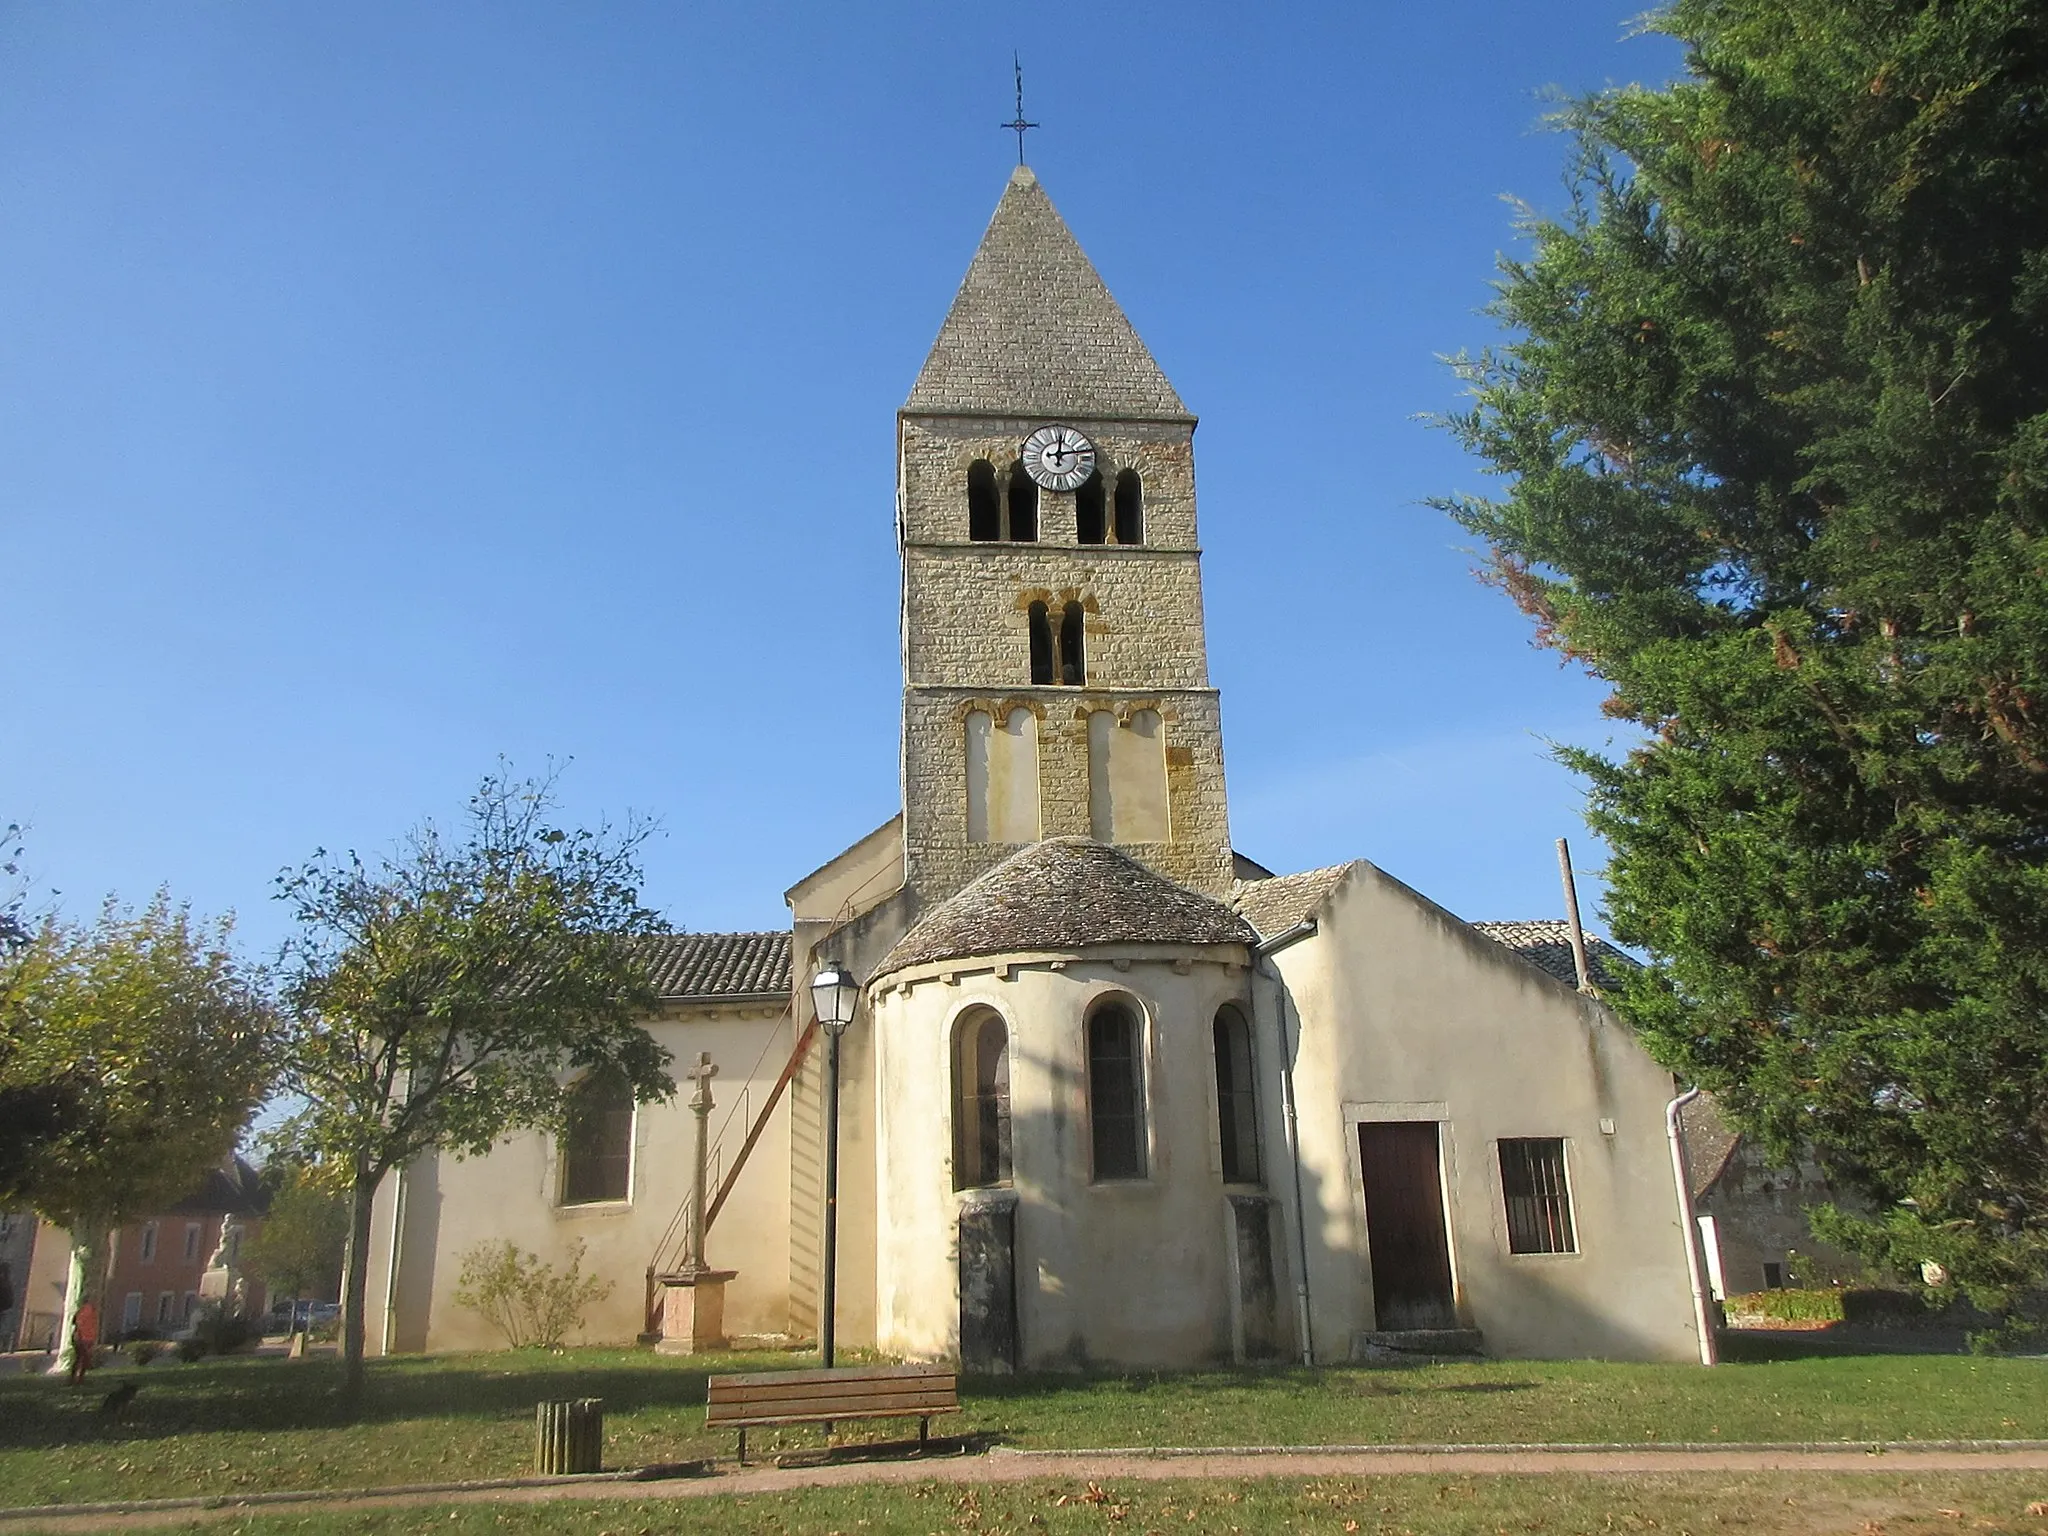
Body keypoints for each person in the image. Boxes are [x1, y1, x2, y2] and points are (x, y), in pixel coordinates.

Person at [68, 1297, 98, 1384]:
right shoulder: (87, 1311)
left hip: (83, 1337)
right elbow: (81, 1324)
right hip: (83, 1338)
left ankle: (75, 1378)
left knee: (80, 1358)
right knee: (84, 1358)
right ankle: (78, 1379)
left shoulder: (83, 1311)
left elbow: (76, 1323)